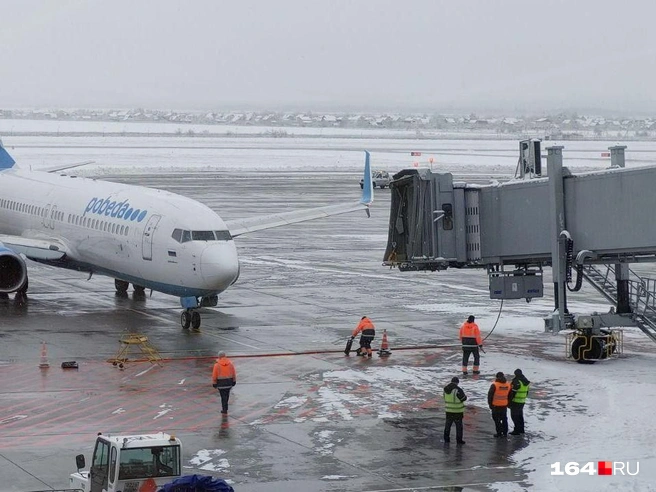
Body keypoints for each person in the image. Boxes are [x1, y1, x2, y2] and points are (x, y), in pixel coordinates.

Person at [443, 376, 467, 445]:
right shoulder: (458, 390)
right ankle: (459, 441)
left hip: (448, 411)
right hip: (457, 411)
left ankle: (446, 439)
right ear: (457, 383)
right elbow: (463, 398)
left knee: (447, 426)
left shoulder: (445, 389)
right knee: (459, 427)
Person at [508, 368, 531, 435]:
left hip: (515, 401)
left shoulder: (517, 381)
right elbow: (526, 392)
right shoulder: (526, 382)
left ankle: (517, 430)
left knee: (514, 416)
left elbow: (513, 393)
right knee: (520, 416)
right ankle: (521, 429)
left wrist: (509, 402)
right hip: (522, 401)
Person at [488, 371, 510, 437]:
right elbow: (510, 395)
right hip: (504, 405)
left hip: (496, 405)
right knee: (504, 419)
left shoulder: (494, 385)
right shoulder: (508, 384)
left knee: (496, 419)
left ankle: (499, 433)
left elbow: (490, 395)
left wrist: (490, 404)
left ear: (497, 377)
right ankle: (505, 432)